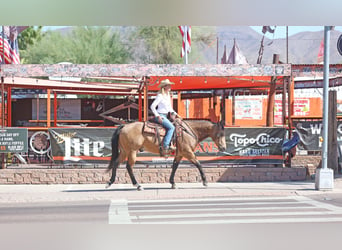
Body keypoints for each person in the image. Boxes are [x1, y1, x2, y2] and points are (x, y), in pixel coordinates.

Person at [150, 79, 180, 153]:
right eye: (168, 85)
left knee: (176, 125)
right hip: (161, 115)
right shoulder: (160, 96)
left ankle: (171, 143)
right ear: (165, 87)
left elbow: (169, 108)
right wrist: (158, 116)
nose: (170, 86)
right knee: (171, 127)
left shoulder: (167, 96)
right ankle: (165, 146)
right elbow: (152, 106)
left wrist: (176, 114)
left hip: (165, 116)